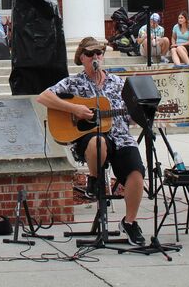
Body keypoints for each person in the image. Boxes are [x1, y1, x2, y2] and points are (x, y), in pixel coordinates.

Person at [35, 37, 147, 246]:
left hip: (121, 137)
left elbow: (129, 117)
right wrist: (74, 109)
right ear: (81, 58)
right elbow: (43, 97)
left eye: (99, 53)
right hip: (90, 140)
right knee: (98, 141)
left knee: (136, 172)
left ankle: (130, 222)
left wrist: (141, 114)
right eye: (90, 54)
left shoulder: (118, 83)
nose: (95, 57)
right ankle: (94, 180)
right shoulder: (73, 82)